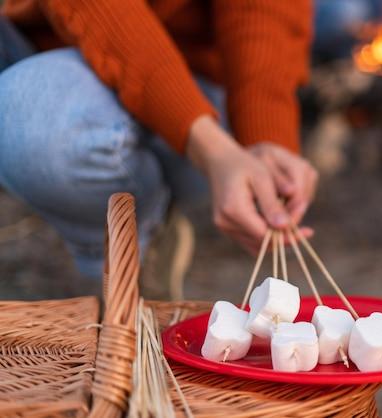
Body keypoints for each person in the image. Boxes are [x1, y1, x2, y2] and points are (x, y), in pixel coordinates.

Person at [0, 1, 318, 299]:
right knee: (24, 111)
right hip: (47, 67)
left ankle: (144, 240)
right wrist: (211, 150)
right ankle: (132, 252)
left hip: (197, 82)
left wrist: (265, 137)